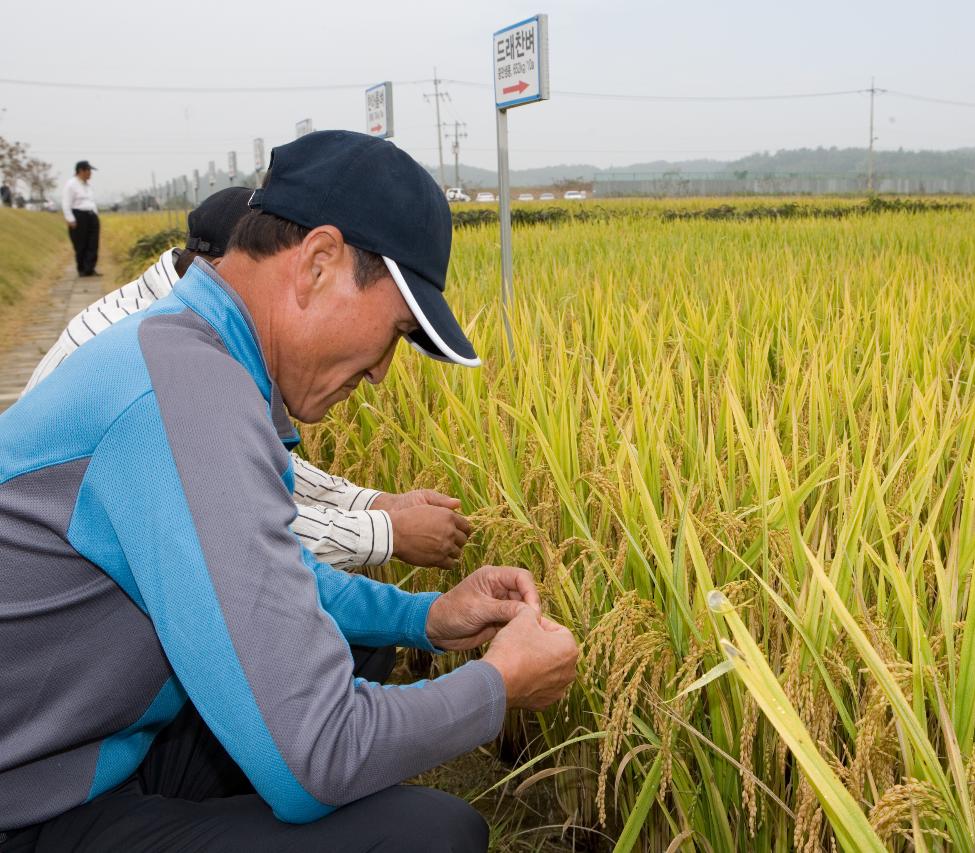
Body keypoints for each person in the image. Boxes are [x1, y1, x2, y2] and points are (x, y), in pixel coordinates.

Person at [0, 130, 580, 851]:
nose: (380, 373)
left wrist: (428, 616)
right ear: (318, 263)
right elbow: (319, 758)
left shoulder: (191, 353)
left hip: (84, 747)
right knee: (428, 836)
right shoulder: (185, 395)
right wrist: (498, 686)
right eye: (397, 331)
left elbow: (270, 578)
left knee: (346, 645)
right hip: (27, 807)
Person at [23, 186, 468, 574]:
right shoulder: (156, 365)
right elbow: (230, 531)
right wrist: (384, 532)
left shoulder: (170, 331)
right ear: (228, 267)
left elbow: (246, 464)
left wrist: (370, 504)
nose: (379, 372)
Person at [61, 160, 101, 277]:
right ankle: (82, 269)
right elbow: (66, 203)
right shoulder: (71, 184)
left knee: (93, 243)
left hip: (91, 215)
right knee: (81, 244)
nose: (90, 174)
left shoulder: (87, 185)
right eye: (88, 171)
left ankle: (90, 268)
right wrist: (70, 219)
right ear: (81, 171)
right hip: (79, 216)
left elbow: (91, 202)